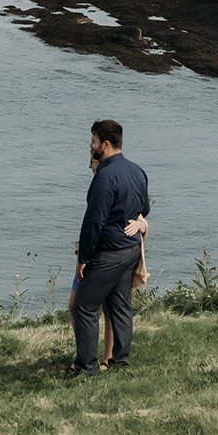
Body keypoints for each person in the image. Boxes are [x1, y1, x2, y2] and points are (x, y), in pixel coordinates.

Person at [71, 119, 150, 377]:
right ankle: (120, 361)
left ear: (105, 144)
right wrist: (138, 223)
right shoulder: (137, 171)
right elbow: (144, 209)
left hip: (109, 253)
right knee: (120, 306)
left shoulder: (105, 176)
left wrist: (84, 257)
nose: (90, 146)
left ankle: (86, 366)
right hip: (130, 250)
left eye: (93, 141)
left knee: (84, 306)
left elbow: (94, 220)